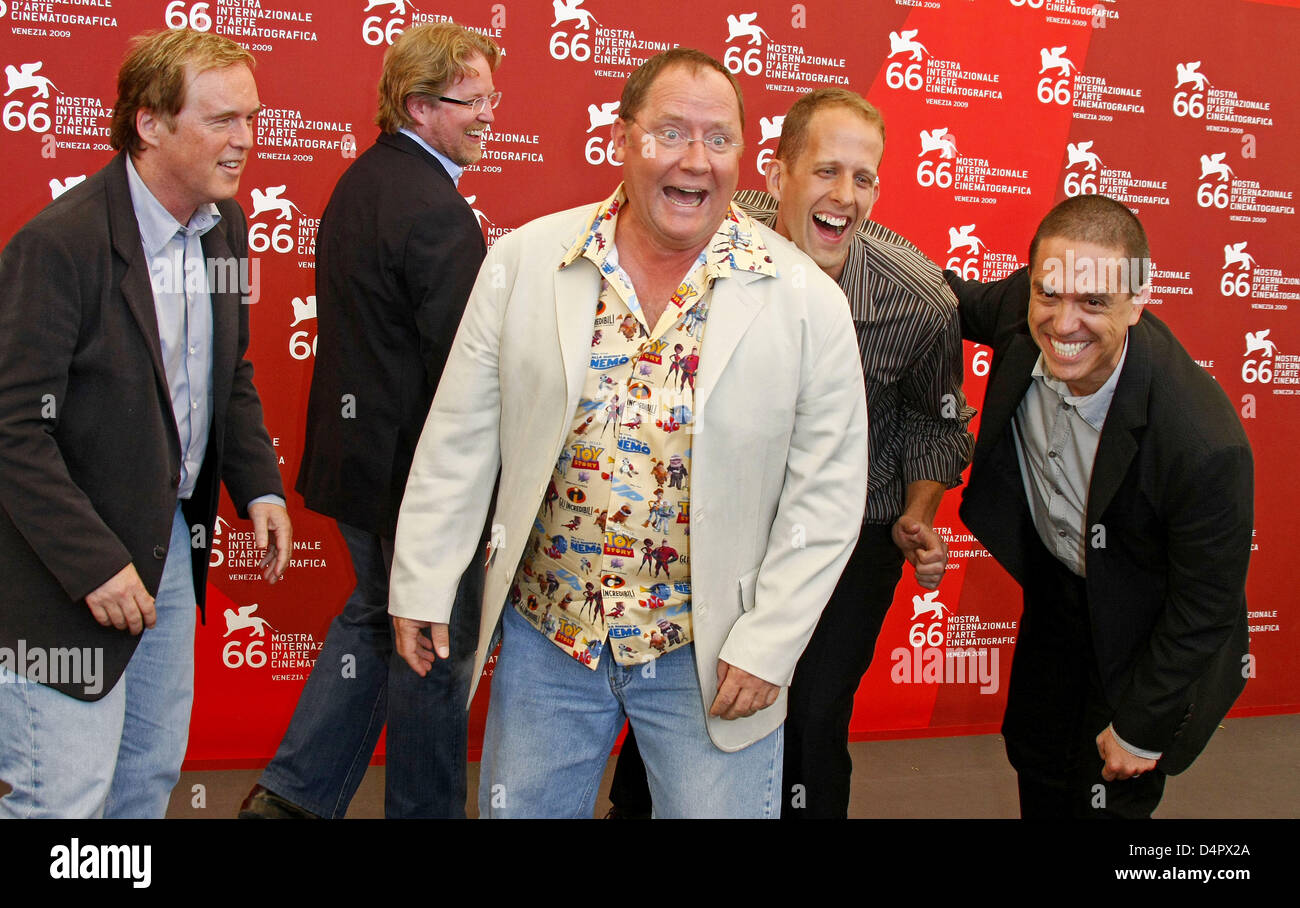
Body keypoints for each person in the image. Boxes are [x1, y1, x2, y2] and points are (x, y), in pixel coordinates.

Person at [387, 48, 868, 818]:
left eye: (718, 139)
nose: (694, 160)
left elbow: (831, 490)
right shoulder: (524, 263)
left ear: (746, 156)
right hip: (551, 640)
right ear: (621, 139)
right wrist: (423, 578)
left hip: (711, 655)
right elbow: (460, 439)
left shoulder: (807, 302)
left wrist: (770, 642)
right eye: (669, 133)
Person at [609, 88, 974, 819]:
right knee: (690, 693)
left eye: (863, 178)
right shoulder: (701, 230)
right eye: (826, 172)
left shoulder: (919, 300)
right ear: (778, 177)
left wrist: (916, 513)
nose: (844, 195)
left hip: (850, 527)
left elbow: (937, 423)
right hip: (716, 511)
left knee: (809, 711)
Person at [0, 29, 289, 818]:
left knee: (143, 786)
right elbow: (12, 430)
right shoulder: (59, 246)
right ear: (149, 124)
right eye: (222, 120)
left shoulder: (222, 228)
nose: (245, 142)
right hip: (62, 573)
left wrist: (258, 486)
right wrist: (94, 563)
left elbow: (227, 374)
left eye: (253, 119)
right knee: (62, 801)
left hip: (168, 554)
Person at [240, 22, 500, 820]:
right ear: (420, 106)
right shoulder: (436, 210)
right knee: (430, 645)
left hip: (362, 470)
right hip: (415, 480)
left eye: (494, 97)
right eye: (473, 101)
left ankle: (292, 798)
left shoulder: (364, 179)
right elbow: (464, 373)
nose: (491, 115)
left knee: (377, 620)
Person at [945, 194, 1253, 818]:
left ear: (1137, 301)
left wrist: (1141, 724)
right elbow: (934, 295)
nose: (1063, 324)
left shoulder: (1202, 442)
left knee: (1109, 797)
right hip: (1061, 593)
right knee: (1035, 756)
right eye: (1049, 294)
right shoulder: (1020, 309)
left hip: (1147, 629)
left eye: (1094, 303)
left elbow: (1204, 608)